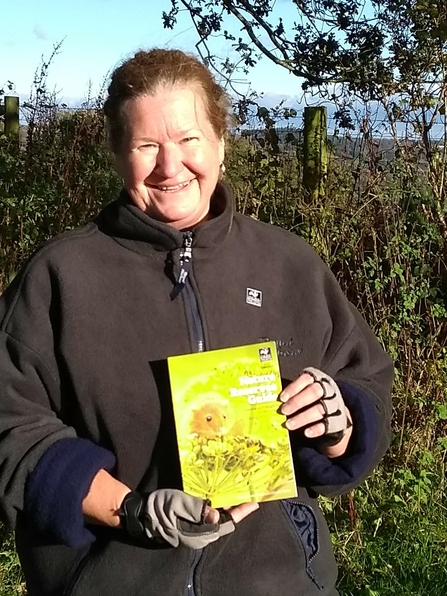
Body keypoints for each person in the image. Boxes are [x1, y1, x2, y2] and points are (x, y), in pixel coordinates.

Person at [0, 48, 393, 596]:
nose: (170, 164)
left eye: (189, 140)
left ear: (220, 146)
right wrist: (132, 511)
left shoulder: (288, 264)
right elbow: (14, 427)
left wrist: (337, 421)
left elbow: (366, 384)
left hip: (278, 582)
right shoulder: (59, 277)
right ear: (118, 155)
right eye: (146, 146)